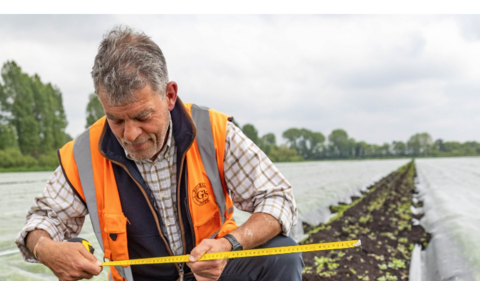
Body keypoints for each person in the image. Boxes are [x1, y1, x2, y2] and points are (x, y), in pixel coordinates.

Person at [16, 26, 303, 281]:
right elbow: (42, 221)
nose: (131, 134)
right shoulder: (82, 154)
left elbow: (278, 198)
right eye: (115, 119)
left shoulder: (211, 131)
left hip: (214, 275)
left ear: (169, 95)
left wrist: (230, 244)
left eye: (142, 116)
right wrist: (45, 249)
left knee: (282, 256)